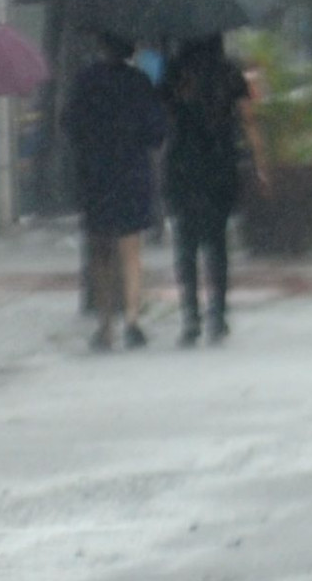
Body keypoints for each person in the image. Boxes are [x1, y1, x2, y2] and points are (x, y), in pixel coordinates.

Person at [64, 34, 168, 352]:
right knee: (130, 250)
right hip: (132, 172)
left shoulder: (86, 81)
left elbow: (69, 123)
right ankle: (133, 320)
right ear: (131, 50)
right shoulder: (139, 83)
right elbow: (156, 133)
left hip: (96, 173)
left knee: (100, 251)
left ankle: (105, 323)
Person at [162, 37, 269, 346]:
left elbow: (165, 113)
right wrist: (259, 163)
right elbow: (247, 118)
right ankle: (218, 314)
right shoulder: (229, 72)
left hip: (183, 164)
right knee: (217, 242)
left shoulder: (176, 71)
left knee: (186, 244)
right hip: (220, 164)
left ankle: (190, 317)